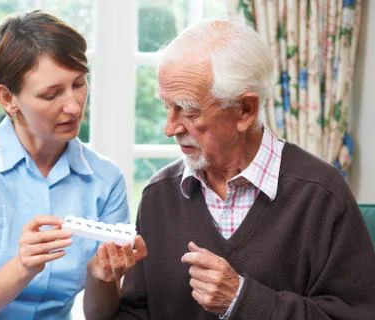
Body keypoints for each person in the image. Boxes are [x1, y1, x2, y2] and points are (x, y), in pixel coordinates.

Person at [116, 20, 375, 319]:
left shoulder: (322, 195)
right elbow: (135, 313)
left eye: (188, 111)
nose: (169, 128)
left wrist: (243, 300)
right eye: (166, 107)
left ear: (245, 111)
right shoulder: (157, 195)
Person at [0, 10, 146, 320]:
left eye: (79, 84)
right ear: (7, 99)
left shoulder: (105, 180)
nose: (73, 106)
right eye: (51, 94)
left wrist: (102, 277)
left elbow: (101, 315)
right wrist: (23, 266)